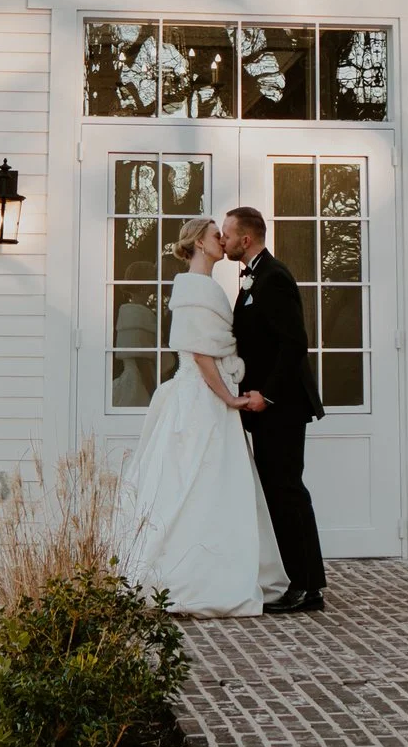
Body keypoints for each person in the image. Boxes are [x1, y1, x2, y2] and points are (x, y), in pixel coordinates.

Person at [118, 216, 289, 616]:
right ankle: (194, 575)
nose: (223, 240)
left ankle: (216, 565)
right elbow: (199, 353)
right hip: (202, 397)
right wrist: (229, 398)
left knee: (210, 484)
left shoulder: (206, 286)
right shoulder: (196, 287)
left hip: (204, 395)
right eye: (217, 235)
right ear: (199, 241)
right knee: (195, 482)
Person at [221, 204, 327, 614]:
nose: (224, 241)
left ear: (245, 239)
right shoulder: (253, 278)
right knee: (279, 492)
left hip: (281, 407)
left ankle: (307, 587)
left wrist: (267, 394)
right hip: (264, 408)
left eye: (228, 235)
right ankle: (301, 582)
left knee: (288, 492)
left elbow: (294, 343)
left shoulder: (274, 277)